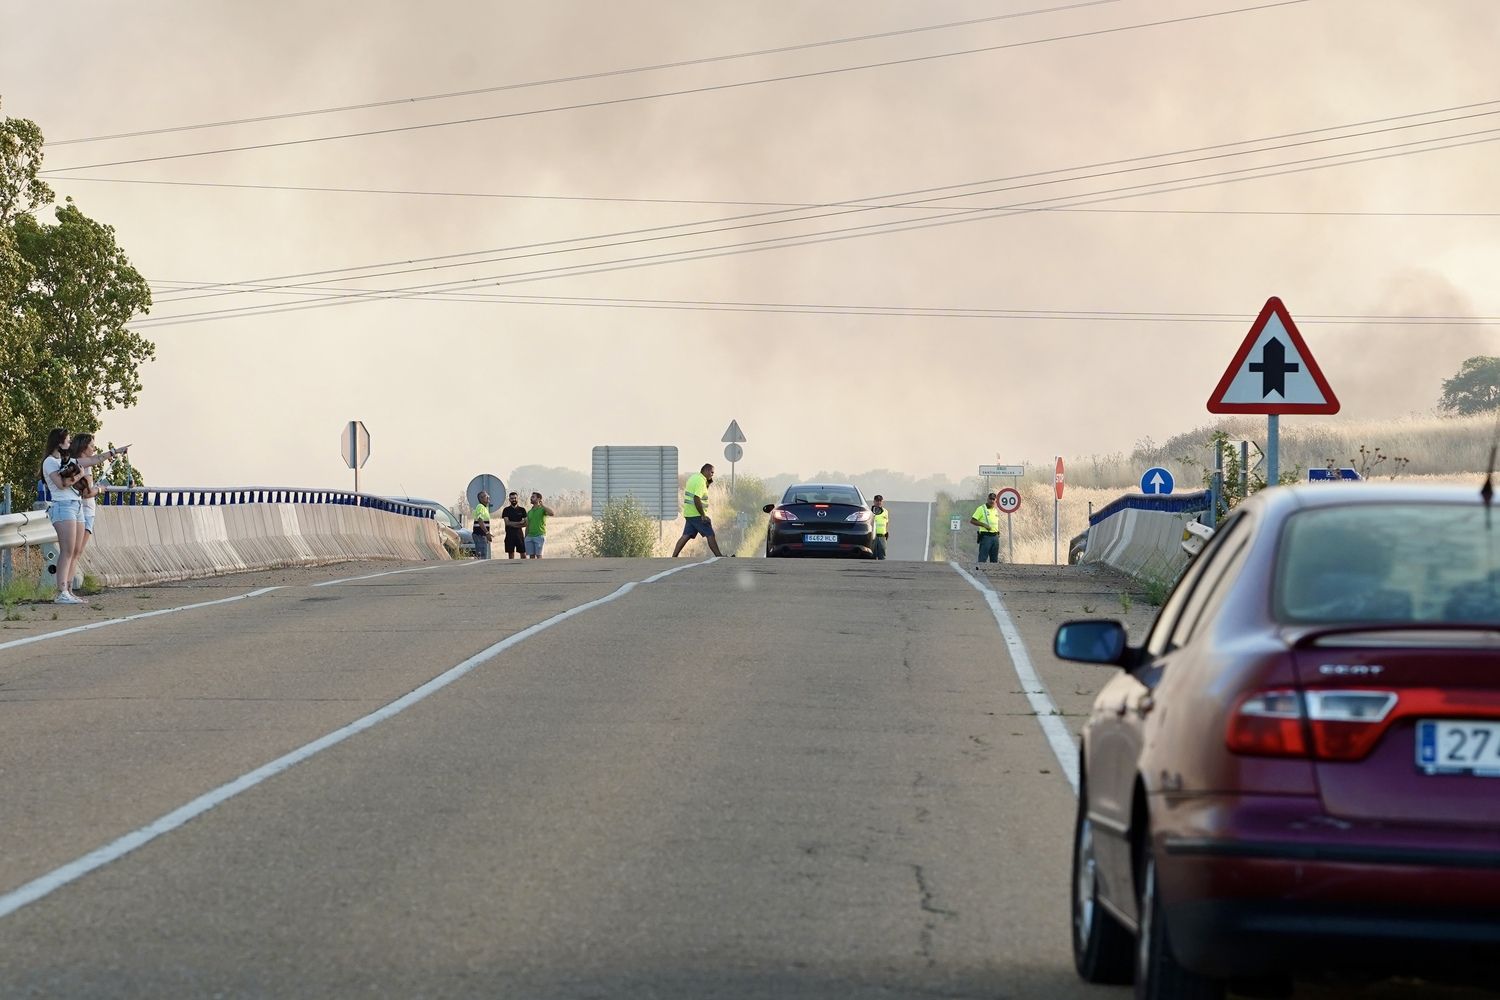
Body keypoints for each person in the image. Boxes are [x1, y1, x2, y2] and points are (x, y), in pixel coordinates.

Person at [672, 462, 724, 558]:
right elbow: (697, 498)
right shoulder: (700, 481)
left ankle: (673, 556)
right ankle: (719, 556)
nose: (712, 475)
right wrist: (703, 515)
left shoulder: (694, 477)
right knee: (710, 534)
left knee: (686, 535)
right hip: (697, 514)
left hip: (689, 513)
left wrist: (708, 483)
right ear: (707, 470)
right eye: (712, 472)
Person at [970, 492, 1002, 569]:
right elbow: (972, 521)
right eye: (990, 499)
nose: (992, 501)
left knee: (994, 559)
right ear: (987, 499)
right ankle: (980, 573)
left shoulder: (995, 510)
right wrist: (984, 525)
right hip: (986, 537)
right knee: (983, 557)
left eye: (993, 499)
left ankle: (993, 574)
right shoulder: (981, 509)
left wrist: (998, 532)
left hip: (995, 537)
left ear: (995, 500)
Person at [524, 492, 555, 559]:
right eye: (531, 497)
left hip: (539, 536)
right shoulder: (529, 512)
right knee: (531, 556)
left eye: (533, 497)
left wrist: (542, 505)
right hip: (529, 537)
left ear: (538, 499)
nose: (531, 498)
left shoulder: (542, 510)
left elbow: (552, 513)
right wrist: (525, 537)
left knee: (539, 556)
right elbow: (528, 525)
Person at [500, 491, 528, 560]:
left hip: (520, 535)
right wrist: (519, 523)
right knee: (511, 555)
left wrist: (513, 524)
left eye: (515, 498)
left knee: (523, 555)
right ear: (509, 499)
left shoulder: (522, 510)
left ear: (517, 499)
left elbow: (526, 523)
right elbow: (507, 523)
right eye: (512, 498)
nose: (514, 500)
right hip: (509, 535)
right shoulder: (506, 510)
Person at [470, 490, 494, 559]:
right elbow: (480, 520)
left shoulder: (485, 508)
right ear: (481, 498)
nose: (488, 497)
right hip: (479, 535)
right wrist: (487, 533)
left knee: (482, 555)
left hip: (482, 535)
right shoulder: (480, 507)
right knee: (481, 556)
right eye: (486, 496)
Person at [870, 494, 889, 560]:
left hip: (882, 537)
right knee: (872, 555)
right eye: (877, 500)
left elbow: (886, 522)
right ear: (874, 501)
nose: (879, 502)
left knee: (882, 556)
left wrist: (886, 532)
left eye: (880, 501)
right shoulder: (870, 511)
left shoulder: (885, 511)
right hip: (873, 537)